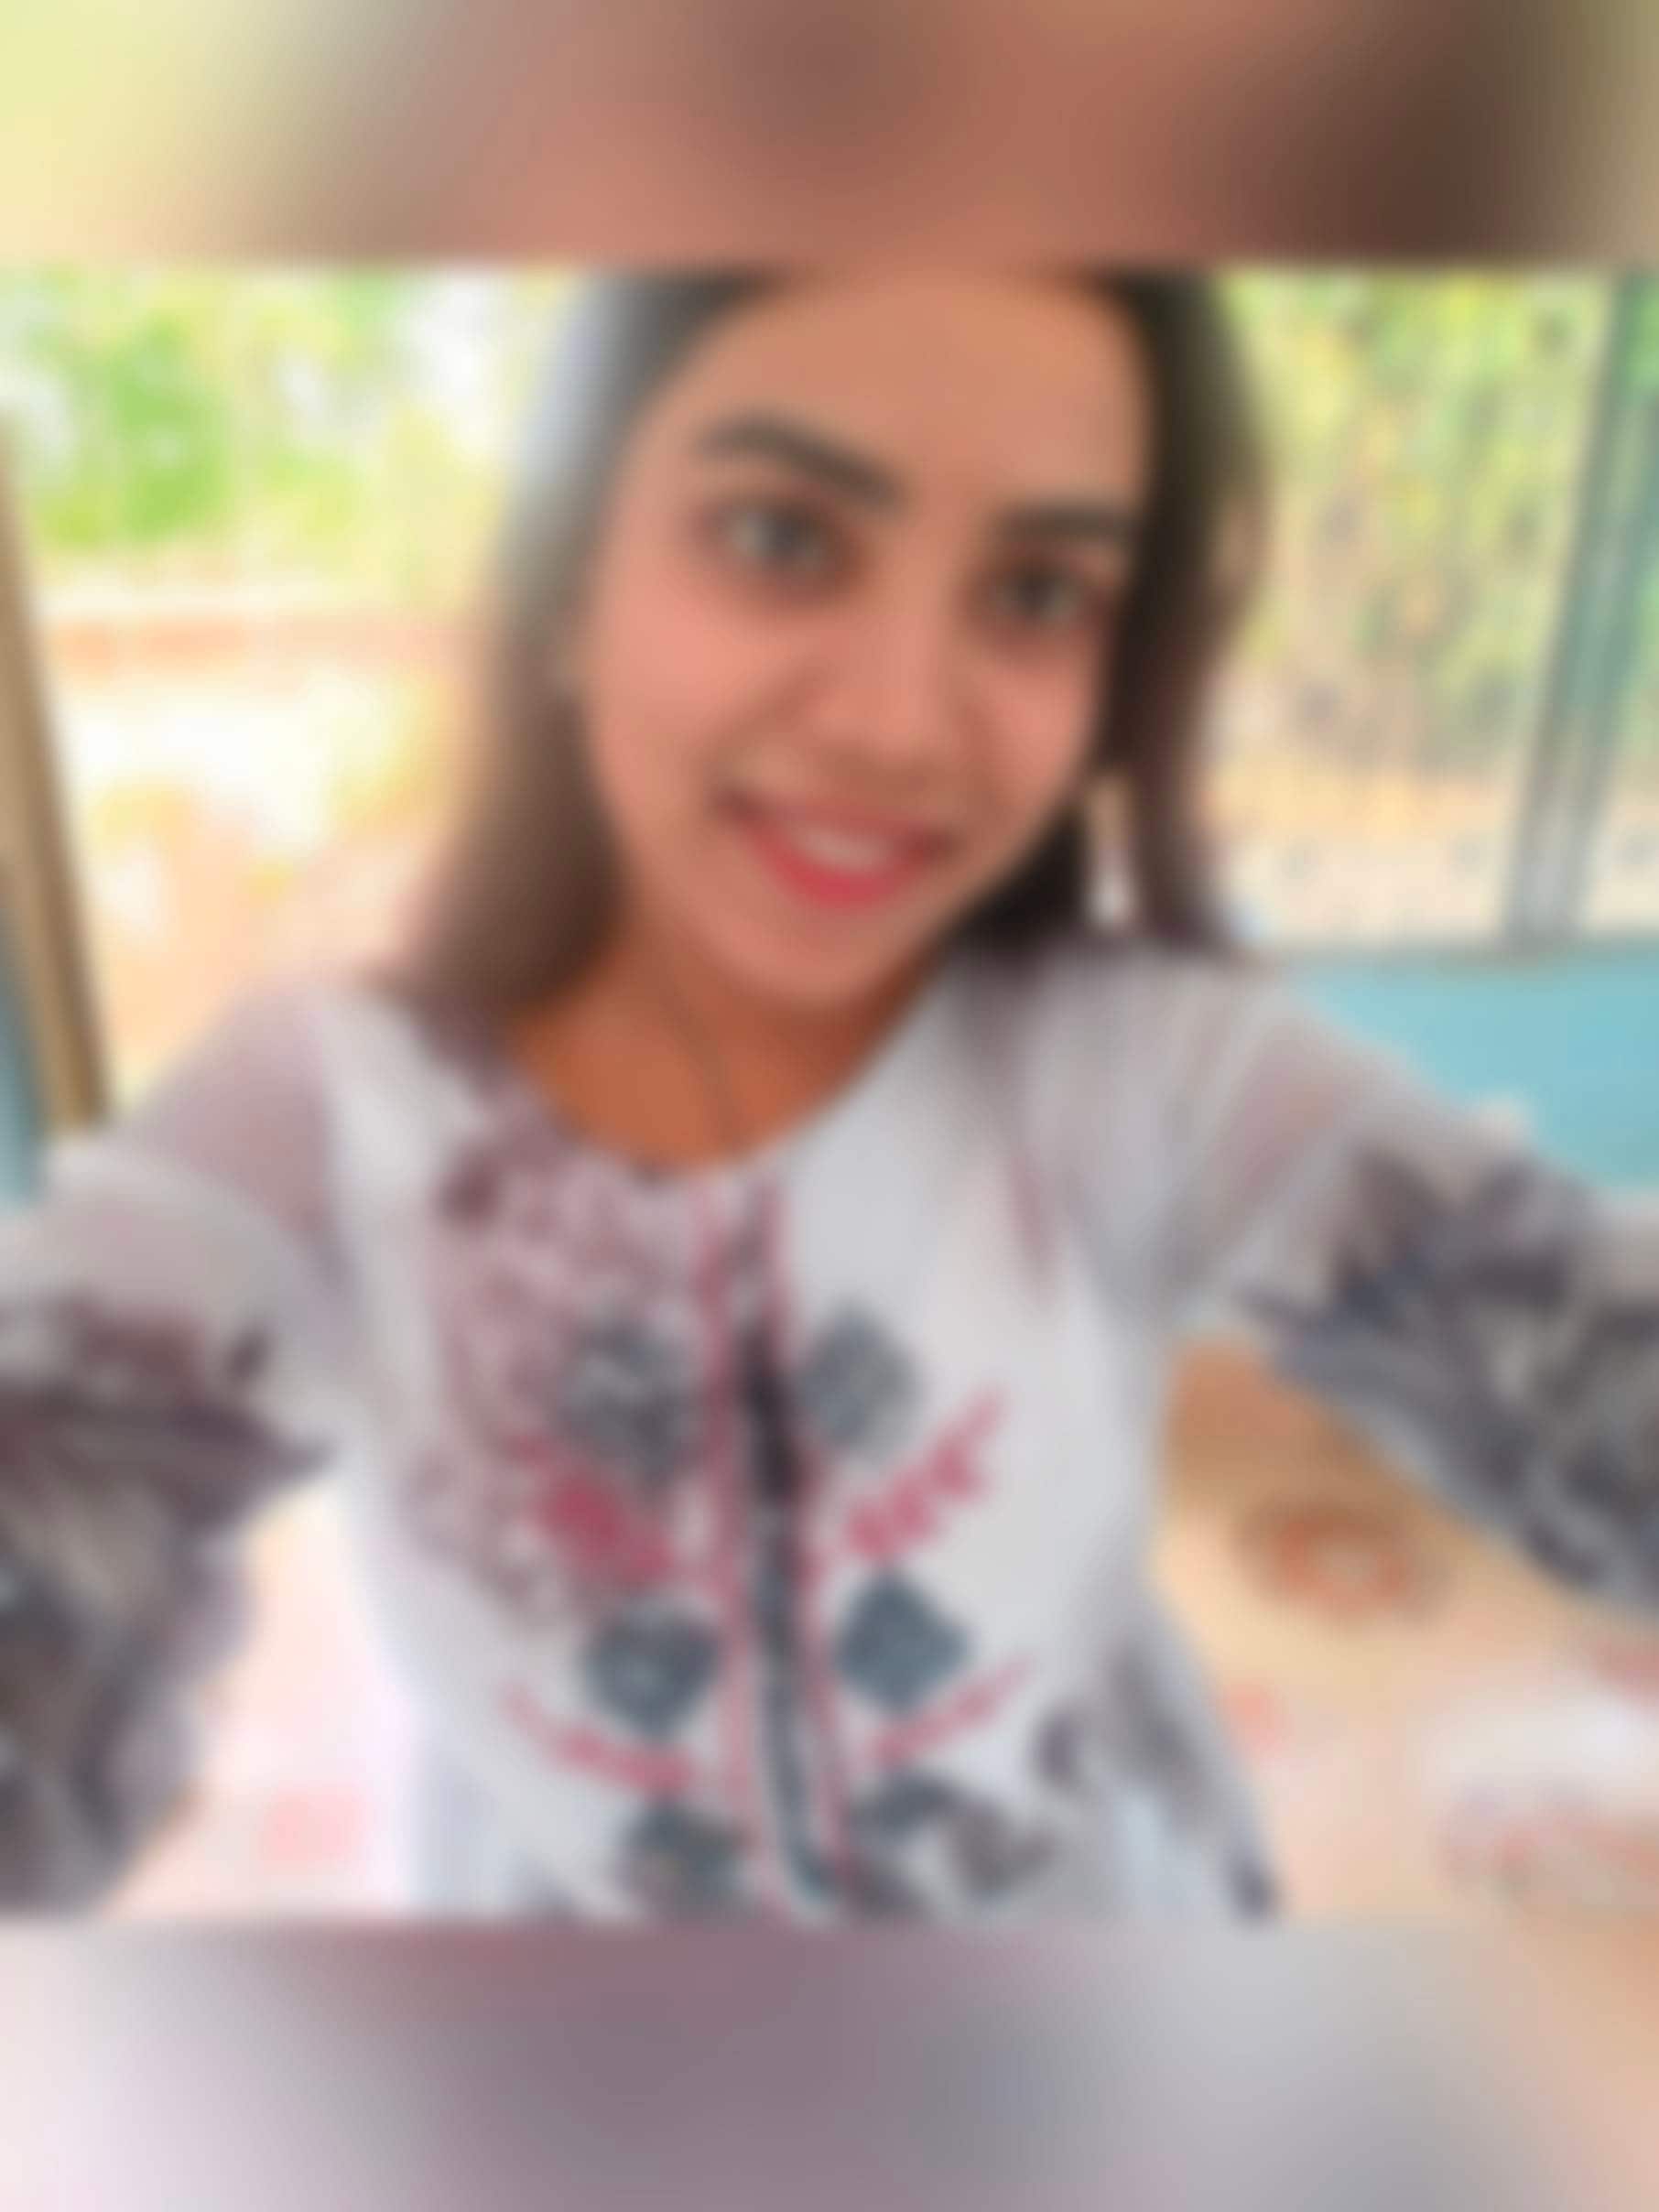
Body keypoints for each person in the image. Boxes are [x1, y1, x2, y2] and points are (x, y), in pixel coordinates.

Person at [2, 272, 1655, 1919]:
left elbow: (1587, 1362)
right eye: (778, 536)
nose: (895, 725)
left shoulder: (1159, 1078)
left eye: (1037, 591)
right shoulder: (319, 1118)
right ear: (572, 580)